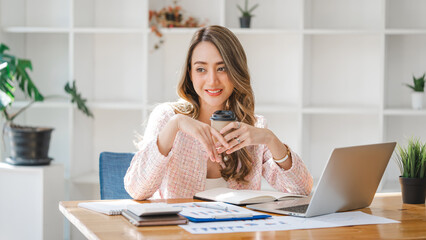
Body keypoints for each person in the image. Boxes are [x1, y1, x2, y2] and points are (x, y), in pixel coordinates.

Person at [124, 25, 313, 200]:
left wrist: (271, 139)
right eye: (201, 69)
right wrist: (175, 125)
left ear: (236, 71)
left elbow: (301, 190)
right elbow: (137, 190)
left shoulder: (253, 128)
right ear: (190, 74)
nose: (212, 80)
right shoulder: (168, 117)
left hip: (236, 235)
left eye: (222, 68)